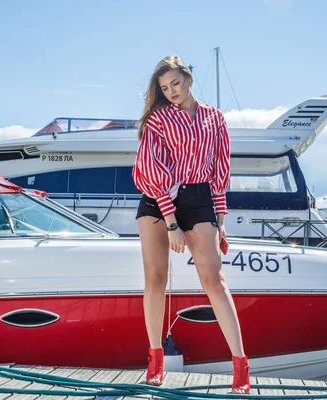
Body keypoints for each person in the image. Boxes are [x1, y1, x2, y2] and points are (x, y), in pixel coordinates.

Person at [132, 55, 250, 394]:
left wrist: (221, 222)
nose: (171, 92)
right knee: (155, 279)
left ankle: (240, 366)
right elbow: (151, 172)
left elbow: (220, 170)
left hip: (199, 198)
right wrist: (171, 223)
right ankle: (155, 357)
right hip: (159, 200)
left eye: (176, 84)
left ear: (189, 79)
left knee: (214, 278)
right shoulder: (158, 120)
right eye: (164, 88)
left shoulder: (215, 118)